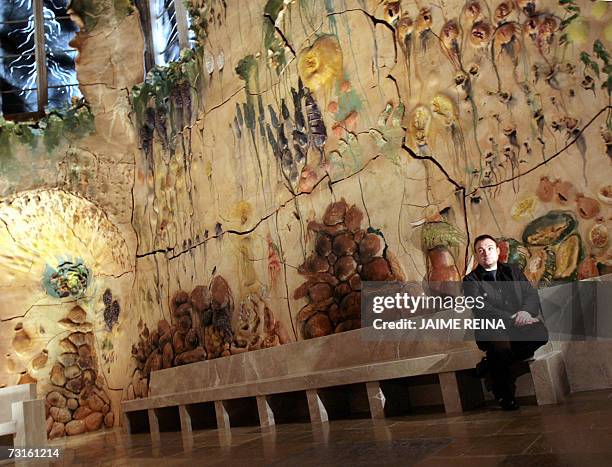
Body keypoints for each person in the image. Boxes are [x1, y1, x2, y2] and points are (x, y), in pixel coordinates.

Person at [463, 234, 549, 410]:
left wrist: (525, 312)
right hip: (494, 328)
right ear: (477, 256)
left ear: (497, 251)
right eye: (480, 251)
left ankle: (489, 365)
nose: (485, 253)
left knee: (541, 334)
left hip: (519, 326)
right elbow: (481, 308)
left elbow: (530, 294)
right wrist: (511, 318)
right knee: (500, 347)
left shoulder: (513, 270)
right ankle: (505, 396)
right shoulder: (470, 280)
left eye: (489, 249)